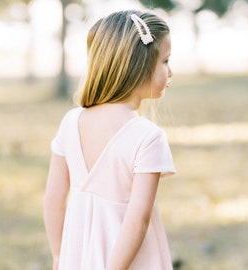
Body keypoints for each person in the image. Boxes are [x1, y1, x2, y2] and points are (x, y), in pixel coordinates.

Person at [44, 9, 176, 270]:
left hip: (77, 255)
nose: (170, 72)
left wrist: (59, 254)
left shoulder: (71, 122)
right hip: (128, 261)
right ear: (139, 65)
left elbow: (54, 196)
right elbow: (137, 218)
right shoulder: (148, 136)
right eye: (165, 61)